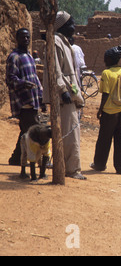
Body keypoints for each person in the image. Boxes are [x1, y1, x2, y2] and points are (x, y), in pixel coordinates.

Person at [43, 11, 86, 180]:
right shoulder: (55, 43)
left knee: (70, 132)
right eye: (71, 24)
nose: (74, 27)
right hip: (64, 96)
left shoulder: (64, 43)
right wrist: (63, 90)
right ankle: (72, 169)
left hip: (70, 93)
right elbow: (56, 71)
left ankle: (69, 166)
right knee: (70, 134)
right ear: (63, 26)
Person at [91, 46, 121, 175]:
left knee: (104, 139)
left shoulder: (106, 73)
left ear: (110, 59)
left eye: (105, 59)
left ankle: (99, 165)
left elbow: (105, 94)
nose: (104, 62)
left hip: (109, 112)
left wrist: (100, 110)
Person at [6, 28, 44, 169]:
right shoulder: (14, 57)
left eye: (28, 37)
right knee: (35, 130)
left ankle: (16, 158)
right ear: (17, 39)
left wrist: (40, 96)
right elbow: (10, 80)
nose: (26, 40)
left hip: (33, 100)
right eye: (23, 37)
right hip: (23, 101)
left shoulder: (28, 56)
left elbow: (35, 78)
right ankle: (41, 160)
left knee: (25, 130)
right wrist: (24, 83)